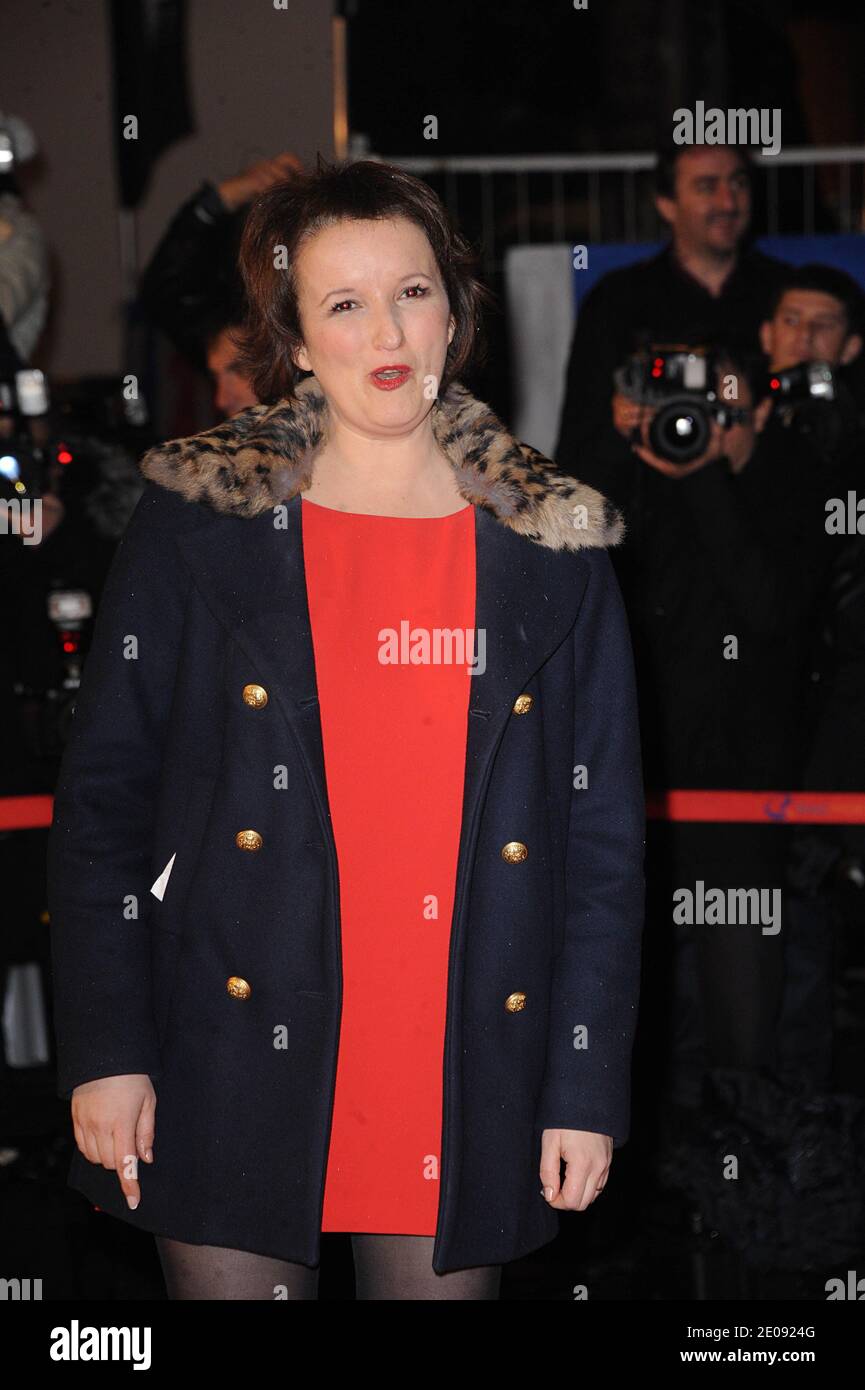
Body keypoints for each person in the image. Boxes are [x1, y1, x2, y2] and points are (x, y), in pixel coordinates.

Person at [46, 158, 646, 1301]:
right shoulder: (196, 520)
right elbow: (107, 801)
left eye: (413, 291)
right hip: (229, 1040)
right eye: (343, 301)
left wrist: (579, 1085)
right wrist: (109, 1048)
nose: (388, 329)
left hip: (458, 1056)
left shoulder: (551, 538)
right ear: (293, 335)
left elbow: (602, 845)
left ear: (457, 310)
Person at [554, 141, 788, 512]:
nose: (729, 203)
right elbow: (580, 440)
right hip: (649, 512)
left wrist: (750, 429)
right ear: (666, 203)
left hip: (764, 506)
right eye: (707, 187)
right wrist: (628, 422)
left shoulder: (787, 297)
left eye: (739, 184)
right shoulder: (618, 299)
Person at [137, 151, 302, 409]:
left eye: (240, 370)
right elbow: (162, 291)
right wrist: (222, 198)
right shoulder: (219, 329)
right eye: (216, 377)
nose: (222, 400)